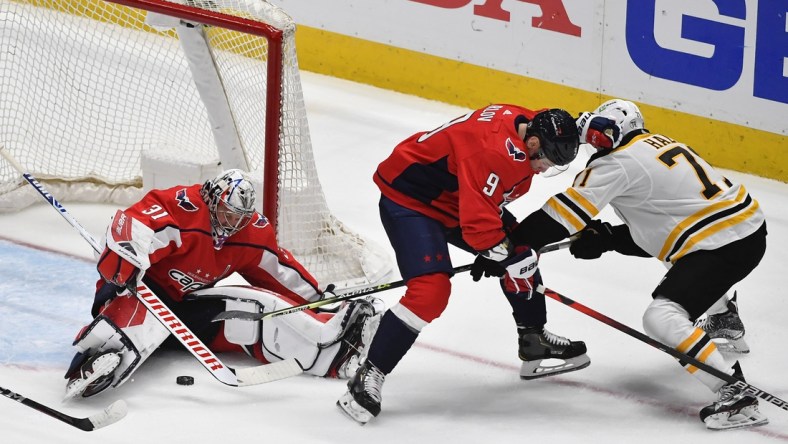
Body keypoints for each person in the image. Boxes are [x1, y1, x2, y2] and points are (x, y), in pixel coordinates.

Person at [504, 99, 767, 430]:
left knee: (660, 317)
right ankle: (724, 317)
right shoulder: (658, 145)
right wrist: (608, 239)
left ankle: (734, 392)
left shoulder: (617, 162)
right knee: (680, 254)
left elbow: (561, 216)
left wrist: (511, 246)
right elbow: (662, 231)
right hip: (745, 232)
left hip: (723, 245)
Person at [336, 104, 589, 424]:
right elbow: (478, 228)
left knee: (524, 249)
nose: (542, 169)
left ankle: (533, 339)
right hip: (411, 199)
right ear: (534, 145)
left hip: (456, 194)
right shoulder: (496, 153)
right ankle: (370, 373)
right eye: (545, 161)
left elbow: (483, 207)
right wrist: (502, 255)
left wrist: (507, 253)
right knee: (431, 292)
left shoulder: (529, 124)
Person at [64, 169, 383, 399]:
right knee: (136, 318)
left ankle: (332, 353)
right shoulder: (182, 208)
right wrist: (128, 259)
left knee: (252, 311)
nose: (233, 223)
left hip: (182, 313)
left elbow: (280, 272)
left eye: (240, 216)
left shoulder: (251, 234)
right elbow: (136, 223)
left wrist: (320, 298)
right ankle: (95, 359)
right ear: (210, 199)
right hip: (136, 289)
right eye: (227, 213)